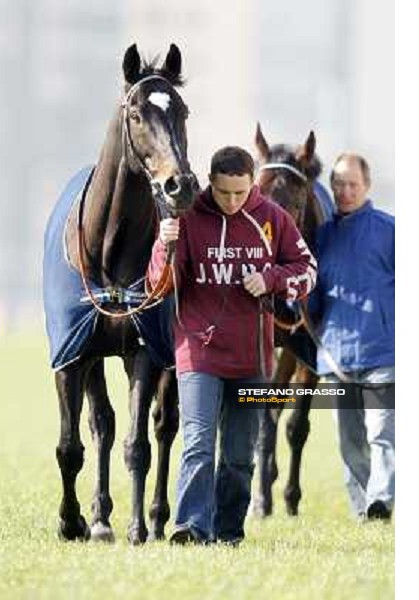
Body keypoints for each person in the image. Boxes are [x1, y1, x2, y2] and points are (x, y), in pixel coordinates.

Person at [148, 146, 318, 545]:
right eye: (224, 193)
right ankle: (190, 528)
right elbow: (158, 286)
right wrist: (163, 245)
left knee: (240, 457)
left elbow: (308, 271)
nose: (232, 201)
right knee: (198, 446)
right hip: (198, 354)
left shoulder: (273, 218)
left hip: (252, 360)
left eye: (241, 194)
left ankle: (227, 534)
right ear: (211, 182)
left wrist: (272, 279)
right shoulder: (187, 219)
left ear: (252, 184)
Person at [309, 153, 395, 522]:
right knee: (350, 443)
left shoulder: (390, 231)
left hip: (382, 354)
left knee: (381, 433)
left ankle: (381, 501)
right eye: (339, 185)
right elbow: (310, 296)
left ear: (367, 186)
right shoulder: (320, 237)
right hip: (335, 358)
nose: (344, 192)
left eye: (352, 185)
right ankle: (365, 511)